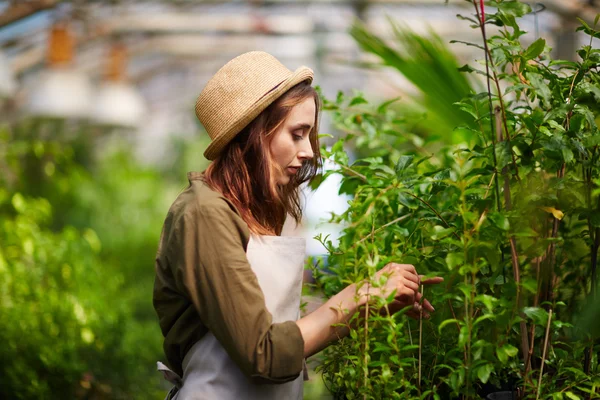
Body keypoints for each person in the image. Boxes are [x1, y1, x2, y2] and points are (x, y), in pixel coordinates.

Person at [153, 51, 442, 400]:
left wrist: (369, 306)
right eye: (297, 134)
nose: (309, 152)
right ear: (254, 133)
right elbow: (264, 354)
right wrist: (356, 297)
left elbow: (283, 334)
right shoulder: (204, 213)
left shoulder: (255, 210)